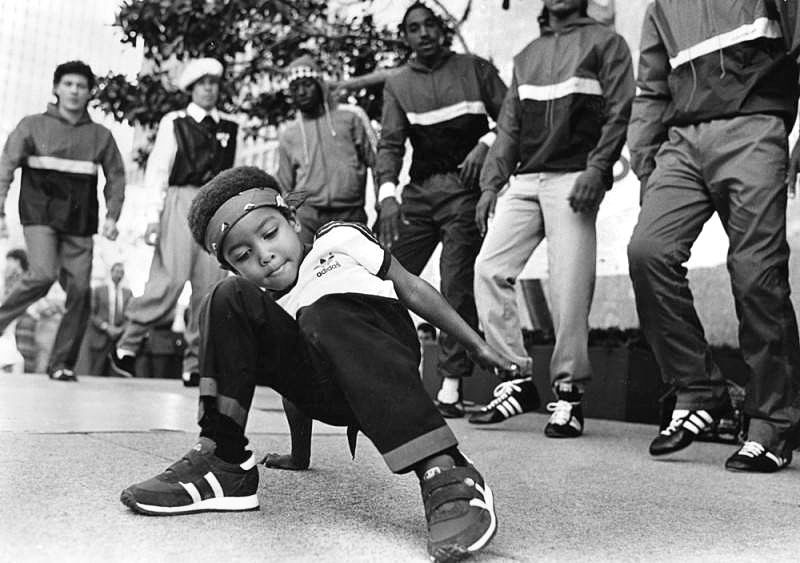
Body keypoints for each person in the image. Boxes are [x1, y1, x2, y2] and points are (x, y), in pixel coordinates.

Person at [120, 167, 513, 562]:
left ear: (292, 220)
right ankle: (223, 459)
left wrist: (474, 345)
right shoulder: (270, 308)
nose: (265, 255)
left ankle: (442, 466)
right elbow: (296, 388)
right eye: (243, 256)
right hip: (332, 391)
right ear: (234, 265)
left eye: (270, 233)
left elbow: (411, 287)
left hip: (386, 352)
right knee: (226, 300)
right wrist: (300, 456)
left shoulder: (339, 239)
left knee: (322, 314)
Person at [627, 0, 800, 472]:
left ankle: (771, 423)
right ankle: (699, 389)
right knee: (648, 252)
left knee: (755, 275)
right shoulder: (662, 5)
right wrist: (645, 160)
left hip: (756, 126)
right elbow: (651, 88)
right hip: (682, 142)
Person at [468, 0, 634, 438]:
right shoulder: (527, 55)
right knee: (488, 269)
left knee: (569, 290)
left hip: (575, 178)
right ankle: (516, 377)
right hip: (525, 180)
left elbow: (621, 112)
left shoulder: (607, 43)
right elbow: (509, 129)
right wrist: (491, 185)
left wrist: (597, 169)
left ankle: (569, 395)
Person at [375, 1, 508, 418]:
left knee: (455, 283)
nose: (423, 34)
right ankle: (387, 376)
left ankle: (450, 386)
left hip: (462, 193)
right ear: (406, 37)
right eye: (414, 28)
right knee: (381, 274)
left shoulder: (474, 68)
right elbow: (391, 144)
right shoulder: (398, 83)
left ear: (441, 29)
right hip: (418, 194)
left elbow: (513, 120)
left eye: (430, 25)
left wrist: (485, 144)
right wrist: (386, 195)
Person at [109, 58, 236, 386]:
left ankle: (195, 363)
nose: (209, 88)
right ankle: (128, 343)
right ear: (192, 88)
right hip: (180, 200)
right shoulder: (174, 122)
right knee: (170, 277)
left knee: (209, 285)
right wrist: (152, 217)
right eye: (202, 82)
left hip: (215, 204)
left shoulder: (229, 126)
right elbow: (159, 171)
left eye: (214, 82)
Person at [0, 60, 125, 382]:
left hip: (80, 222)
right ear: (56, 88)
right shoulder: (31, 125)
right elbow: (5, 168)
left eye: (81, 86)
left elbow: (116, 176)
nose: (74, 90)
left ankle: (61, 363)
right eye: (68, 84)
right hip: (39, 215)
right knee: (42, 274)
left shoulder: (101, 135)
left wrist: (113, 215)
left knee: (81, 292)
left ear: (88, 93)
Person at [276, 55, 377, 243]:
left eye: (307, 84)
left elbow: (377, 163)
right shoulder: (289, 134)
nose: (302, 92)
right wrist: (303, 201)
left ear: (320, 84)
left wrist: (382, 206)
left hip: (350, 213)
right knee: (308, 270)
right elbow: (284, 186)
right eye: (295, 88)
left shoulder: (351, 117)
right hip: (307, 218)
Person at [87, 262, 132, 376]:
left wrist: (121, 329)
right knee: (97, 371)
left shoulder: (127, 293)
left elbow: (130, 315)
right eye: (117, 272)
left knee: (118, 374)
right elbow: (92, 313)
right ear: (111, 272)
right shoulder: (99, 290)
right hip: (100, 337)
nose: (119, 275)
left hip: (119, 339)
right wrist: (106, 327)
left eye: (122, 272)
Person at [4, 249, 37, 373]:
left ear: (17, 261)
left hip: (24, 318)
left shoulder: (28, 278)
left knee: (23, 351)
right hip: (12, 319)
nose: (7, 264)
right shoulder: (10, 279)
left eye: (10, 261)